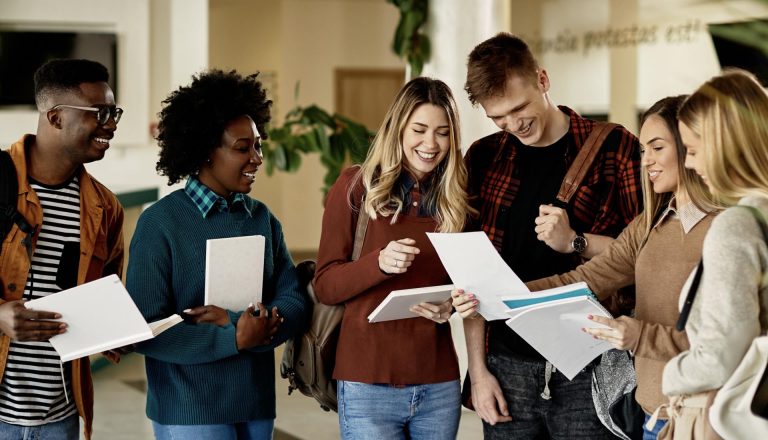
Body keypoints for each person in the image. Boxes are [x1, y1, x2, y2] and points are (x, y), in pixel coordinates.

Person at [457, 95, 720, 439]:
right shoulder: (648, 225)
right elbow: (585, 279)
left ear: (691, 146)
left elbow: (727, 341)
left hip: (707, 414)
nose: (646, 161)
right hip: (652, 414)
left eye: (657, 148)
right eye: (643, 150)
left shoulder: (725, 228)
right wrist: (495, 298)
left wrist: (640, 336)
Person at [455, 33, 643, 439]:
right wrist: (479, 372)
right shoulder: (484, 157)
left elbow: (645, 258)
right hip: (506, 365)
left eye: (519, 108)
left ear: (542, 79)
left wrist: (576, 241)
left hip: (590, 364)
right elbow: (471, 277)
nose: (513, 124)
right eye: (498, 117)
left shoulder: (615, 148)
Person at [125, 69, 308, 440]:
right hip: (189, 409)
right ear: (206, 151)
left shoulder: (262, 218)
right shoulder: (160, 223)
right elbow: (144, 330)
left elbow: (293, 300)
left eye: (258, 145)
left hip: (255, 404)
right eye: (243, 148)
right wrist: (236, 337)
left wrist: (241, 322)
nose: (257, 158)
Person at [313, 77, 474, 439]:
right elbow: (325, 285)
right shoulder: (355, 187)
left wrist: (450, 304)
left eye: (443, 133)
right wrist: (378, 264)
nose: (430, 144)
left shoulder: (457, 199)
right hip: (367, 383)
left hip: (438, 382)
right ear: (397, 128)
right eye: (419, 130)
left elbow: (466, 282)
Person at [0, 59, 125, 439]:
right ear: (55, 117)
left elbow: (107, 299)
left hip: (61, 417)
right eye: (99, 112)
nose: (111, 124)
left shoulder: (105, 208)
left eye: (114, 112)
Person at [662, 70, 768, 428]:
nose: (689, 164)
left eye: (693, 150)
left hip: (723, 417)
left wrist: (670, 375)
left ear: (726, 146)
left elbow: (718, 359)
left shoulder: (737, 225)